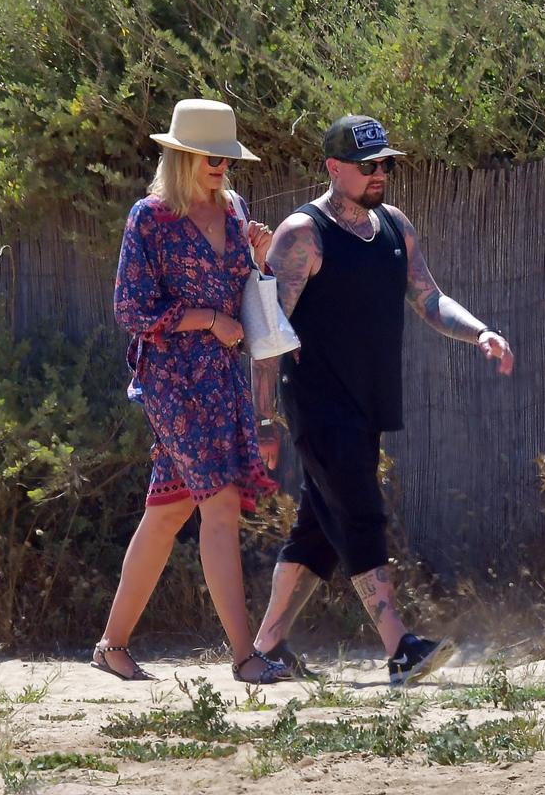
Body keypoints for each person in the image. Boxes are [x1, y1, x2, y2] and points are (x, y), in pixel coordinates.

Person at [250, 114, 515, 685]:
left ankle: (266, 645)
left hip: (369, 402)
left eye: (385, 164)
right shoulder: (304, 234)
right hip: (318, 404)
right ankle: (400, 648)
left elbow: (429, 297)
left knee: (318, 530)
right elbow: (267, 333)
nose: (379, 174)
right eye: (367, 165)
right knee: (361, 513)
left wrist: (480, 332)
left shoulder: (394, 225)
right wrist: (264, 418)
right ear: (334, 168)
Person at [95, 98, 291, 685]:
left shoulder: (235, 212)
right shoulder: (149, 218)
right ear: (183, 156)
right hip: (172, 381)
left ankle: (111, 646)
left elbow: (250, 297)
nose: (222, 168)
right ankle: (244, 655)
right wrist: (205, 319)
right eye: (212, 157)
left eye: (227, 158)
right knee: (221, 504)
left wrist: (259, 257)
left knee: (168, 511)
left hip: (223, 376)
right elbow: (130, 308)